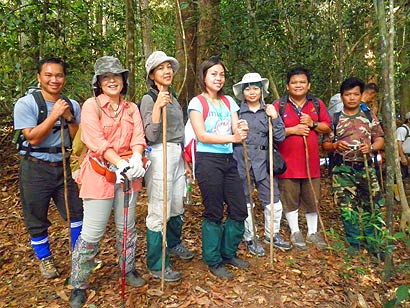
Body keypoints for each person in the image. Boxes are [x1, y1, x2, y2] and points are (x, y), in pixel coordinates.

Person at [69, 56, 147, 308]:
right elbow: (95, 140)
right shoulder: (91, 106)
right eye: (106, 77)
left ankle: (129, 268)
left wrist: (136, 157)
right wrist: (118, 162)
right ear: (98, 82)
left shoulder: (131, 107)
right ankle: (79, 283)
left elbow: (138, 136)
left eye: (116, 76)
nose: (112, 80)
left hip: (128, 175)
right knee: (93, 231)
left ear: (124, 80)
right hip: (100, 174)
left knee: (127, 226)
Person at [13, 57, 83, 279]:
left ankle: (80, 254)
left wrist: (69, 117)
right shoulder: (26, 104)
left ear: (64, 78)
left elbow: (78, 140)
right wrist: (54, 115)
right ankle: (45, 259)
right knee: (36, 216)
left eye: (59, 75)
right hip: (35, 167)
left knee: (76, 212)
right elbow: (32, 138)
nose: (54, 80)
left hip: (63, 166)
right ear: (39, 77)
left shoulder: (72, 104)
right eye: (49, 75)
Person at [188, 56, 249, 280]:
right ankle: (213, 260)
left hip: (228, 160)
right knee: (213, 211)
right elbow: (201, 134)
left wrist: (241, 128)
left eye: (221, 74)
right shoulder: (197, 103)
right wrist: (233, 136)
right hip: (207, 161)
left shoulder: (229, 102)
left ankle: (228, 253)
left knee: (239, 208)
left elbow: (236, 127)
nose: (218, 78)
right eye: (213, 74)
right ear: (204, 76)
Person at [139, 51, 194, 283]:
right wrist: (158, 108)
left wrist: (186, 161)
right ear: (152, 75)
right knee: (159, 209)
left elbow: (179, 132)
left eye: (169, 67)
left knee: (176, 204)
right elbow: (150, 135)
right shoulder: (149, 98)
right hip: (159, 152)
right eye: (161, 68)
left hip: (176, 154)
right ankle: (157, 263)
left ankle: (172, 244)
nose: (167, 71)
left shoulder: (173, 96)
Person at [322, 77, 385, 257]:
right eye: (347, 94)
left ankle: (374, 244)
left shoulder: (368, 116)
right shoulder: (335, 118)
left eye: (355, 94)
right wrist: (335, 146)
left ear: (361, 95)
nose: (351, 98)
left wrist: (371, 148)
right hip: (342, 169)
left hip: (366, 167)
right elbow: (325, 144)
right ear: (341, 97)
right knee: (346, 207)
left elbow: (380, 139)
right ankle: (354, 244)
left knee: (371, 205)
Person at [232, 72, 292, 256]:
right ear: (242, 92)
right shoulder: (236, 112)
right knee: (245, 202)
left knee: (273, 201)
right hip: (242, 161)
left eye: (255, 88)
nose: (252, 92)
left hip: (265, 163)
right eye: (248, 88)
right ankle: (250, 237)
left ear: (262, 90)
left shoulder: (269, 110)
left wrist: (275, 117)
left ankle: (271, 235)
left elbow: (280, 137)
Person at [273, 67, 331, 249]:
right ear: (288, 86)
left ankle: (313, 232)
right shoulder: (278, 105)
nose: (298, 85)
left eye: (302, 82)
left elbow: (327, 128)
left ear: (308, 85)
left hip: (311, 162)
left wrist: (312, 123)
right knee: (289, 196)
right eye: (294, 82)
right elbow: (270, 132)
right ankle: (295, 231)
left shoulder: (316, 104)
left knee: (312, 197)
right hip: (287, 163)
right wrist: (291, 130)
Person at [396, 112, 410, 179]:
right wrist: (402, 157)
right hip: (403, 157)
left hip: (408, 156)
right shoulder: (402, 129)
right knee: (403, 175)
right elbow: (399, 143)